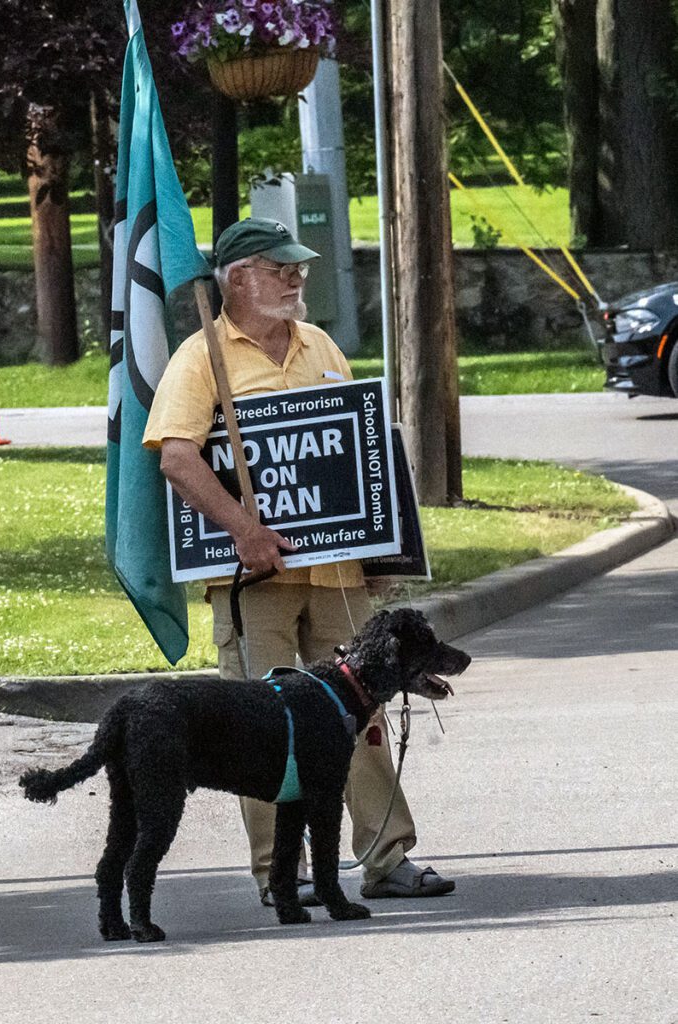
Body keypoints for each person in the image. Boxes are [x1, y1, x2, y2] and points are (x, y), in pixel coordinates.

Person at [143, 217, 454, 903]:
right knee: (264, 725)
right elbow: (175, 456)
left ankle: (386, 857)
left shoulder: (319, 346)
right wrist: (242, 528)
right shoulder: (201, 358)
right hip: (255, 580)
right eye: (280, 267)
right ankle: (282, 874)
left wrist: (380, 551)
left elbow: (356, 457)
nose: (296, 277)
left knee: (363, 716)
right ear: (238, 278)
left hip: (338, 577)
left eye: (298, 267)